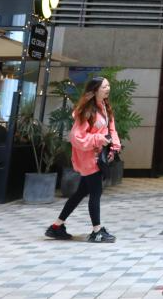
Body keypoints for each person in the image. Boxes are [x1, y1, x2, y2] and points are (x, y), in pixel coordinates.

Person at [45, 77, 120, 243]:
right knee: (95, 193)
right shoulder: (86, 111)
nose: (108, 88)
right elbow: (76, 137)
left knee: (80, 193)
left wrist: (114, 146)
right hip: (89, 159)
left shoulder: (105, 107)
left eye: (108, 86)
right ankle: (97, 231)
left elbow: (111, 129)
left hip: (97, 157)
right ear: (95, 90)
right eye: (104, 86)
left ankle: (56, 227)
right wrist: (99, 139)